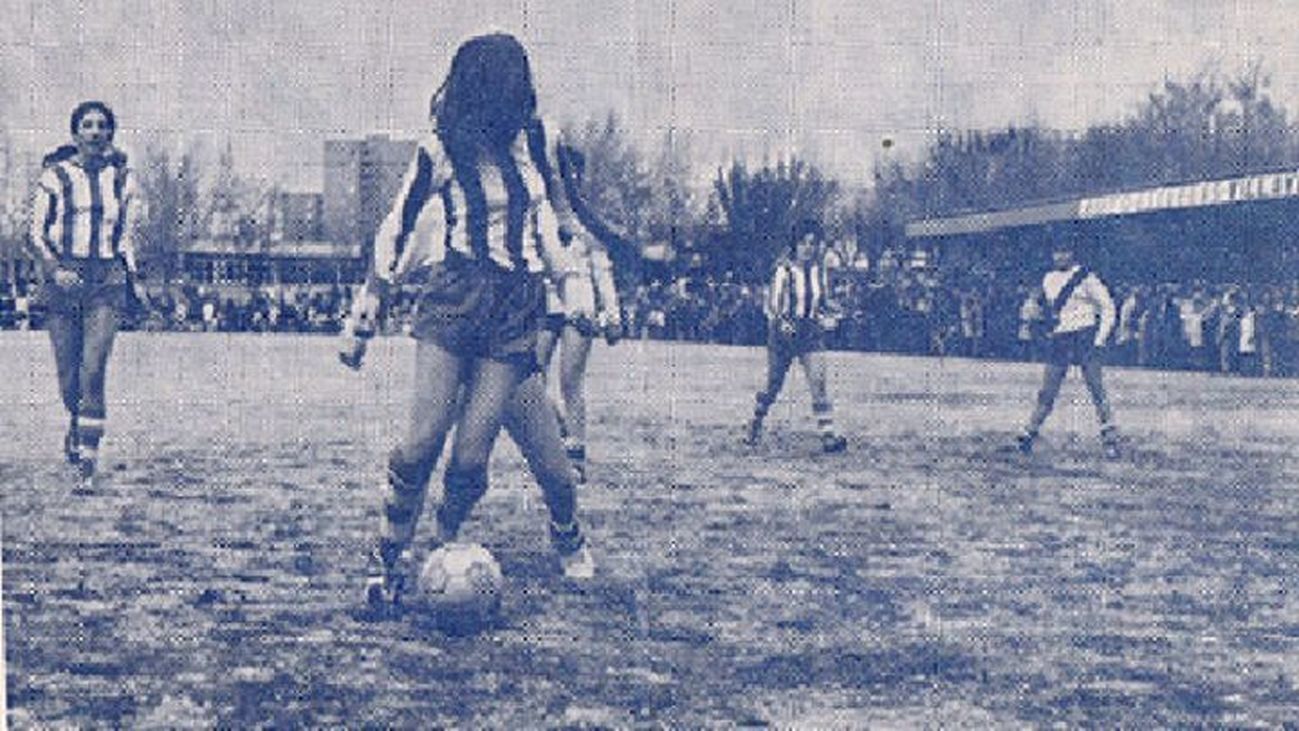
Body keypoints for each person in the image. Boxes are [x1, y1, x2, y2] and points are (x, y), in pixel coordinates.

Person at [346, 33, 596, 610]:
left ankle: (446, 539)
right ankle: (386, 558)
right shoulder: (439, 148)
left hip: (515, 308)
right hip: (456, 298)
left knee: (470, 460)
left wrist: (574, 281)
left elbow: (559, 217)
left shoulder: (539, 139)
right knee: (420, 445)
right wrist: (369, 302)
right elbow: (399, 223)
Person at [28, 101, 145, 482]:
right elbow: (35, 234)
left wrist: (133, 279)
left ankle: (87, 462)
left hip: (106, 281)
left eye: (102, 125)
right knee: (70, 379)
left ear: (110, 133)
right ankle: (77, 423)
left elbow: (126, 236)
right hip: (63, 280)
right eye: (87, 125)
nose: (95, 132)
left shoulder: (123, 179)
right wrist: (55, 270)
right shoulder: (55, 177)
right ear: (75, 133)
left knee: (93, 369)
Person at [534, 143, 622, 482]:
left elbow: (602, 270)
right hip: (545, 305)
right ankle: (559, 424)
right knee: (531, 376)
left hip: (579, 307)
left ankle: (576, 457)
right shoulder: (537, 216)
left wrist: (612, 314)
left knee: (570, 380)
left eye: (570, 173)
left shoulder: (586, 224)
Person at [1009, 238, 1120, 458]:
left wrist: (1100, 339)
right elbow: (1044, 309)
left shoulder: (1087, 278)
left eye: (1064, 252)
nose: (1060, 256)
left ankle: (1110, 438)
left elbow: (1108, 308)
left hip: (1085, 335)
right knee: (1048, 390)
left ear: (1072, 254)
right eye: (1056, 252)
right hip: (1061, 337)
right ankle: (1029, 433)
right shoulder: (1048, 279)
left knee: (1096, 388)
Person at [744, 219, 848, 453]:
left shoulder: (819, 271)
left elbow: (822, 301)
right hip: (784, 333)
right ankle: (756, 421)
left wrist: (837, 310)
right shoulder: (784, 270)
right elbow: (773, 305)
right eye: (803, 243)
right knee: (773, 385)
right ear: (795, 245)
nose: (808, 248)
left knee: (819, 382)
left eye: (813, 243)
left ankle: (828, 436)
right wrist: (783, 324)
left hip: (810, 331)